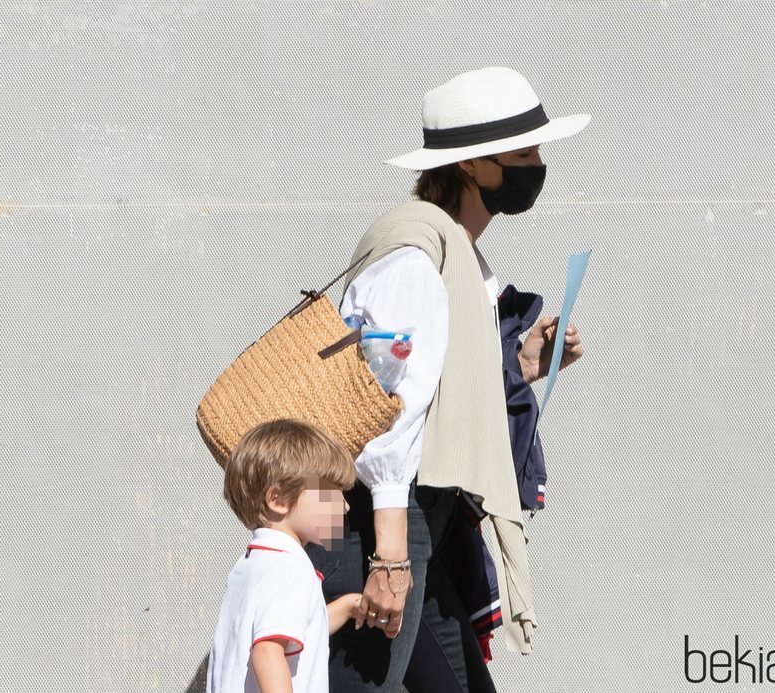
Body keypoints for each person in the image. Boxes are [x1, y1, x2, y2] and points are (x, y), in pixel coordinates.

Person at [305, 66, 590, 691]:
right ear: (471, 166)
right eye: (522, 153)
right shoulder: (415, 259)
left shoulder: (456, 255)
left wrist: (517, 368)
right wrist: (390, 558)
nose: (537, 164)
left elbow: (435, 382)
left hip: (411, 522)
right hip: (374, 520)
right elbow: (389, 416)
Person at [206, 419, 364, 693]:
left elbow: (294, 627)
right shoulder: (291, 568)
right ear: (278, 499)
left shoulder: (252, 565)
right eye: (331, 492)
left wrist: (349, 607)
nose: (345, 505)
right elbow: (267, 652)